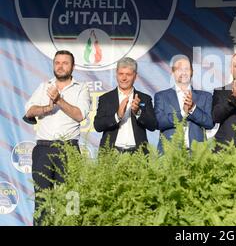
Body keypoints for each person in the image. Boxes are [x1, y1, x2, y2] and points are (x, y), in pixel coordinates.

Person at [24, 50, 91, 225]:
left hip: (68, 149)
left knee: (71, 199)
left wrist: (59, 100)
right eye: (57, 63)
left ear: (73, 67)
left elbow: (80, 115)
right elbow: (29, 111)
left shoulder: (81, 88)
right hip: (43, 149)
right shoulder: (44, 85)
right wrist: (46, 108)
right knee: (42, 199)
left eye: (65, 63)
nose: (60, 66)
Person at [94, 57, 157, 154]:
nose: (124, 78)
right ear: (116, 74)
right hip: (111, 154)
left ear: (135, 76)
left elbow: (153, 125)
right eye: (121, 74)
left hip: (138, 154)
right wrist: (117, 116)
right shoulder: (105, 98)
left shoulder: (144, 98)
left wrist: (138, 112)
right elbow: (98, 126)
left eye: (128, 74)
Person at [154, 55, 214, 152]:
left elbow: (210, 123)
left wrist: (193, 109)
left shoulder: (205, 96)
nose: (183, 72)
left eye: (186, 69)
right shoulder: (161, 96)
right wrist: (183, 113)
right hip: (169, 154)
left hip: (197, 154)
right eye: (179, 69)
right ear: (172, 72)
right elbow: (158, 123)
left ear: (192, 72)